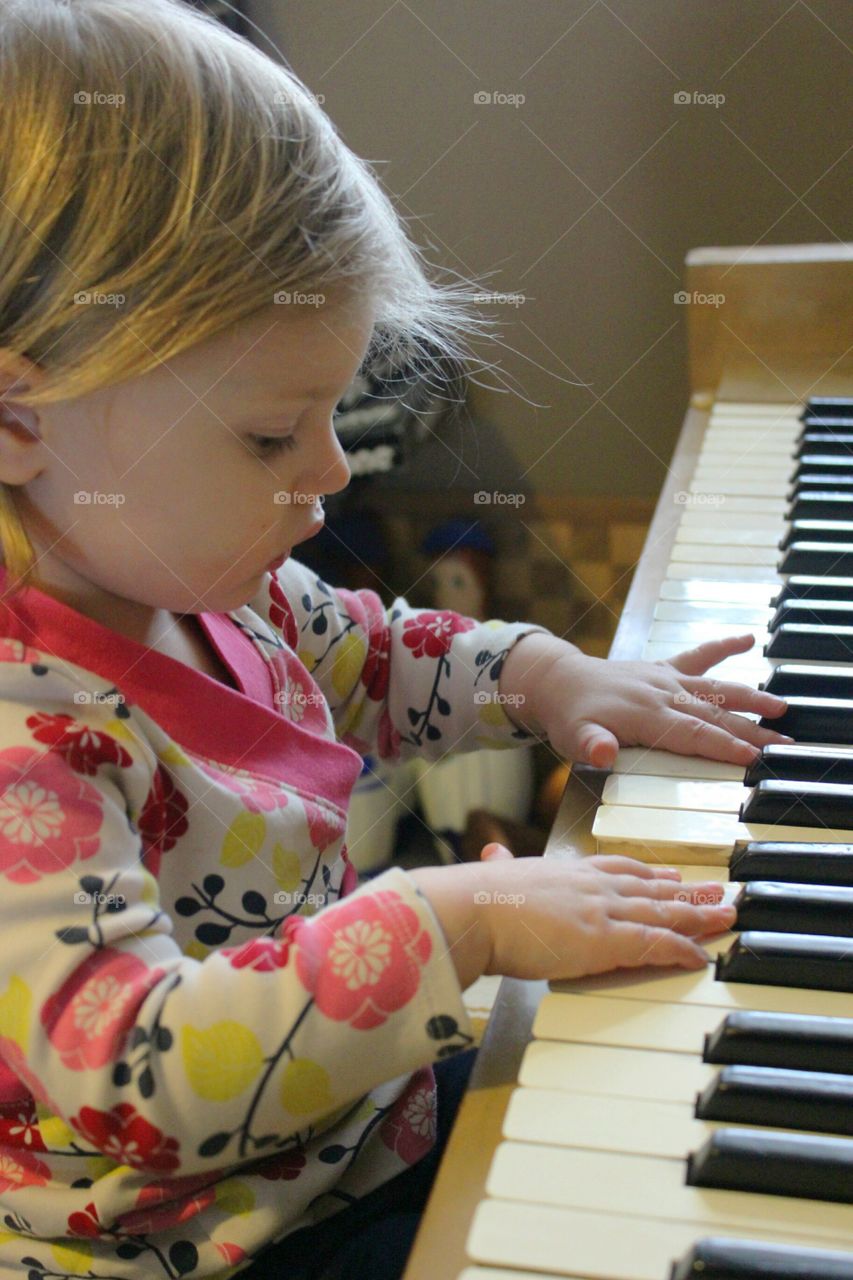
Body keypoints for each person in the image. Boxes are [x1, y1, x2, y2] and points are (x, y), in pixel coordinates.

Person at [0, 1, 791, 1277]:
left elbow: (372, 654)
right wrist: (450, 920)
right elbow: (130, 1069)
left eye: (332, 411)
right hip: (205, 1241)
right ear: (16, 415)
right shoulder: (26, 745)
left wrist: (545, 674)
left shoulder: (199, 579)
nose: (323, 472)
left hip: (347, 1136)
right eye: (269, 434)